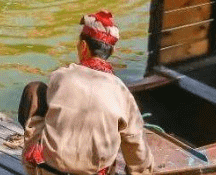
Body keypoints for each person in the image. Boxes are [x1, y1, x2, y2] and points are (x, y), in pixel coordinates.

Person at [18, 12, 153, 175]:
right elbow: (138, 152)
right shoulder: (121, 92)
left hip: (49, 171)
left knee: (34, 90)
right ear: (112, 51)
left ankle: (32, 167)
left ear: (83, 46)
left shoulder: (60, 76)